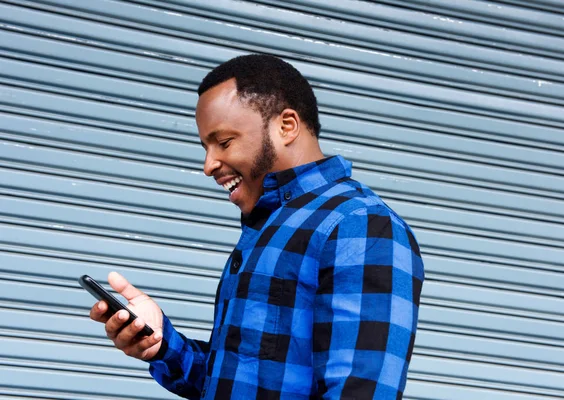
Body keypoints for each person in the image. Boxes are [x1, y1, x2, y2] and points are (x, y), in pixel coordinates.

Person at [89, 54, 424, 399]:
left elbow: (360, 393)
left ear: (287, 126)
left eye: (224, 142)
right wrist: (161, 345)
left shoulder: (360, 226)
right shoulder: (272, 225)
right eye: (205, 147)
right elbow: (237, 382)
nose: (208, 165)